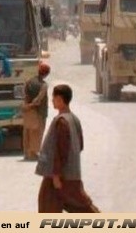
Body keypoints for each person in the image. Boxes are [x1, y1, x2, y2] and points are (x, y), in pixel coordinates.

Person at [35, 84, 100, 213]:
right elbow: (79, 146)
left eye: (53, 98)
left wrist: (56, 176)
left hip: (59, 178)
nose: (52, 100)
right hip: (70, 175)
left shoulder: (62, 122)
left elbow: (60, 151)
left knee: (79, 207)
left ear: (59, 99)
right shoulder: (74, 119)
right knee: (79, 206)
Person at [22, 61, 50, 160]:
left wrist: (26, 106)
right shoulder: (44, 85)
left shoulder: (28, 81)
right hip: (39, 112)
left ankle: (26, 153)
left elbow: (24, 95)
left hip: (28, 111)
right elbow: (38, 99)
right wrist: (33, 104)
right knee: (37, 133)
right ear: (46, 74)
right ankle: (33, 153)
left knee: (27, 132)